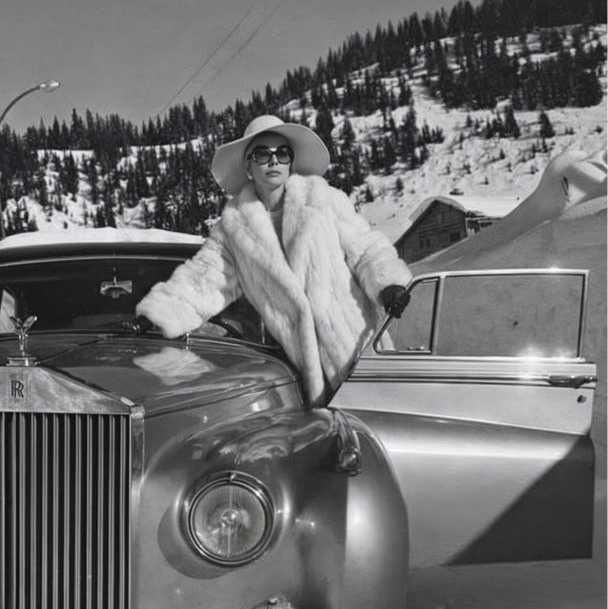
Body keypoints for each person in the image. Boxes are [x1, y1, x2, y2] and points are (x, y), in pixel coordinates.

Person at [132, 113, 413, 401]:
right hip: (303, 370)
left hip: (360, 351)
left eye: (282, 153)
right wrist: (157, 317)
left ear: (291, 162)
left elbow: (366, 249)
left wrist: (388, 284)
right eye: (263, 154)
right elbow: (203, 280)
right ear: (249, 166)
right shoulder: (234, 228)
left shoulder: (324, 200)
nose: (273, 161)